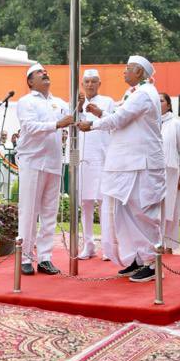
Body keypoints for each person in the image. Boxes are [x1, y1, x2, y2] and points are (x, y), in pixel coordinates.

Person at [77, 55, 165, 283]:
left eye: (128, 69)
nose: (123, 72)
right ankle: (137, 257)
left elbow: (121, 119)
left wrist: (92, 124)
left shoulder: (145, 94)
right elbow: (120, 118)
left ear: (139, 72)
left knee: (143, 212)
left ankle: (152, 262)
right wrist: (101, 114)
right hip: (128, 164)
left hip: (143, 163)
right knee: (125, 212)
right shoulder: (134, 93)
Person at [16, 63, 73, 275]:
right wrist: (57, 125)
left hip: (53, 162)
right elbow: (30, 127)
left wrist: (80, 105)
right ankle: (25, 256)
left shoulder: (58, 103)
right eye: (39, 73)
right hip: (33, 161)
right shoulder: (26, 101)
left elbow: (74, 117)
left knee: (50, 212)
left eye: (45, 71)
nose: (45, 73)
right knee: (29, 210)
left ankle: (45, 257)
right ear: (30, 81)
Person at [76, 68, 115, 260]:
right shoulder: (76, 102)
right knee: (85, 203)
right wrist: (79, 107)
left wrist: (98, 112)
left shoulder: (107, 102)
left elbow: (113, 123)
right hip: (83, 161)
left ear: (99, 84)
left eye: (93, 81)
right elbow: (74, 128)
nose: (90, 85)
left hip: (102, 159)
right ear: (82, 84)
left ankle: (107, 247)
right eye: (87, 82)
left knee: (104, 203)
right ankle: (88, 245)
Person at [160, 92, 180, 252]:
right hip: (154, 173)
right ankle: (157, 245)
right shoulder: (149, 122)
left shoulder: (175, 124)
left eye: (161, 101)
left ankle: (169, 246)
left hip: (171, 172)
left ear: (169, 105)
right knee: (156, 210)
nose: (158, 103)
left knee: (170, 209)